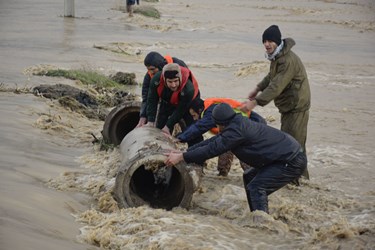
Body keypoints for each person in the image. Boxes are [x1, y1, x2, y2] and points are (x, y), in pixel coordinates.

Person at [164, 103, 307, 214]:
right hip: (284, 156)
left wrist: (182, 157)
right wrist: (184, 152)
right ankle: (258, 214)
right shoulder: (236, 123)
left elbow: (212, 150)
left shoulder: (236, 131)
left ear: (220, 123)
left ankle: (262, 226)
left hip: (291, 160)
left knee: (257, 187)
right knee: (249, 176)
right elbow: (212, 142)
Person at [241, 25, 311, 181]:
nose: (267, 44)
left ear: (278, 41)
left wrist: (255, 102)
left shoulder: (287, 60)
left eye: (270, 40)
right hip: (290, 106)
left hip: (297, 107)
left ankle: (297, 181)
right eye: (264, 41)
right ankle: (299, 180)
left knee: (294, 146)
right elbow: (271, 77)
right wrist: (257, 88)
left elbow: (276, 85)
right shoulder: (277, 56)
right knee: (294, 144)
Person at [175, 97, 267, 176]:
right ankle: (222, 173)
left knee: (242, 150)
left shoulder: (211, 111)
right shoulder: (210, 108)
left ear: (199, 110)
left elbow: (199, 127)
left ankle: (254, 174)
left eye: (194, 115)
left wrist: (180, 138)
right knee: (226, 146)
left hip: (253, 125)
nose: (194, 119)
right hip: (249, 125)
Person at [145, 63, 203, 147]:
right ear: (164, 80)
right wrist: (150, 120)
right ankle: (162, 148)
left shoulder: (188, 88)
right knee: (160, 128)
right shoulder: (156, 80)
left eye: (176, 81)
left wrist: (168, 125)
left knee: (192, 129)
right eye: (170, 81)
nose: (173, 85)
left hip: (189, 103)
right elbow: (151, 99)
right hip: (168, 100)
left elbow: (181, 110)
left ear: (180, 78)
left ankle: (195, 153)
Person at [137, 52, 188, 128]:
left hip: (183, 97)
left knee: (188, 123)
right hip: (166, 100)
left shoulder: (178, 65)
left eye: (152, 69)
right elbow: (146, 97)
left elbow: (188, 87)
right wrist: (143, 116)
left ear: (160, 66)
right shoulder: (150, 75)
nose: (150, 72)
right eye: (148, 69)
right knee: (160, 125)